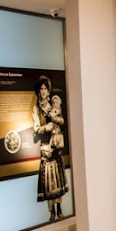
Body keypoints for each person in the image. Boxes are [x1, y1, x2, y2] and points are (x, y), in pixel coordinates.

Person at [32, 76, 69, 221]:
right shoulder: (36, 109)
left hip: (55, 147)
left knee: (57, 180)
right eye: (41, 89)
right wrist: (45, 128)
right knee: (49, 183)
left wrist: (57, 122)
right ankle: (52, 211)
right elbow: (36, 129)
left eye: (45, 89)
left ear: (48, 91)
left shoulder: (53, 106)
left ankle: (59, 208)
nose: (43, 91)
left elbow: (62, 124)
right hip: (46, 148)